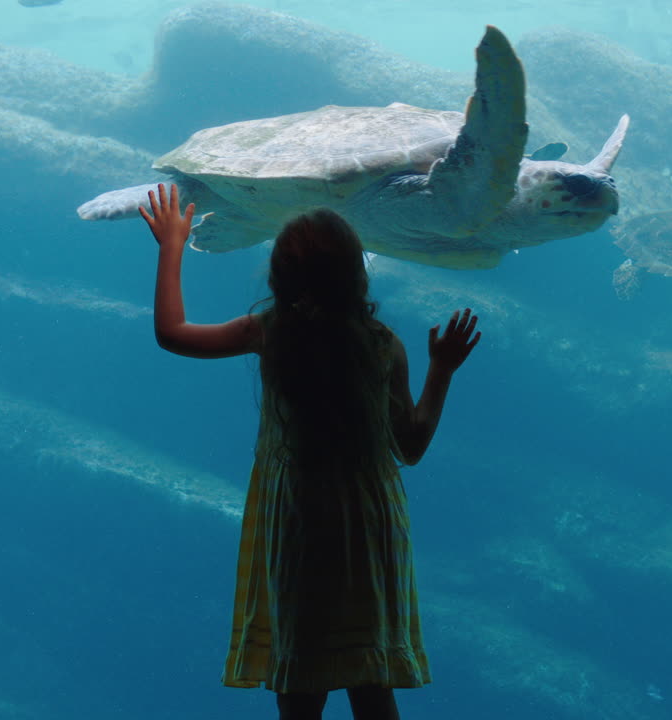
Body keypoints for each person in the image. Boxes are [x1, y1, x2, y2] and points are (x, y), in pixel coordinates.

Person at [140, 184, 481, 720]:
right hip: (368, 527)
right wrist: (442, 370)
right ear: (356, 275)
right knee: (371, 681)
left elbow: (172, 334)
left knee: (299, 683)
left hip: (299, 520)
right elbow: (410, 446)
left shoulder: (269, 332)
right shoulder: (380, 343)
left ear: (278, 274)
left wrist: (172, 247)